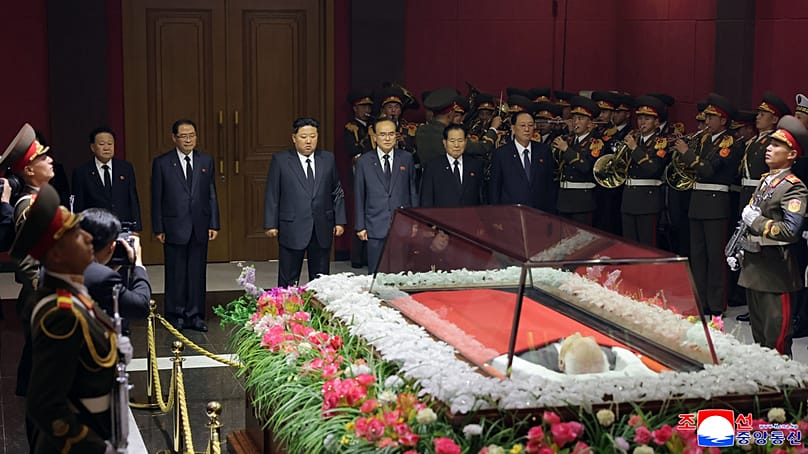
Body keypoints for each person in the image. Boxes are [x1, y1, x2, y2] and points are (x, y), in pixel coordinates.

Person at [10, 183, 132, 453]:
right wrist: (94, 447)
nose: (88, 239)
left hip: (98, 424)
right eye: (77, 236)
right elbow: (45, 405)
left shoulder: (72, 291)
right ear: (56, 255)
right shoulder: (60, 313)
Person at [728, 116, 808, 356]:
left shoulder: (794, 187)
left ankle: (785, 391)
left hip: (775, 272)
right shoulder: (765, 182)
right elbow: (747, 225)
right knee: (760, 339)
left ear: (792, 154)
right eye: (769, 144)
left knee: (777, 341)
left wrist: (758, 221)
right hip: (753, 269)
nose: (769, 149)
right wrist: (739, 248)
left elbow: (789, 231)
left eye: (777, 146)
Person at [674, 93, 743, 316]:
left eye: (712, 117)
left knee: (715, 257)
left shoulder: (730, 142)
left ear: (723, 120)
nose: (707, 121)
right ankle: (700, 300)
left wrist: (686, 153)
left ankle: (716, 304)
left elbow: (708, 169)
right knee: (698, 255)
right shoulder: (704, 139)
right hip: (697, 201)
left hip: (715, 203)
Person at [0, 123, 54, 398]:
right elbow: (25, 259)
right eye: (43, 158)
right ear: (30, 170)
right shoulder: (30, 205)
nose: (50, 160)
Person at [151, 119, 221, 332]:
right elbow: (157, 197)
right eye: (183, 136)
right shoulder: (162, 163)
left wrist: (214, 223)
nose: (188, 139)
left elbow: (211, 194)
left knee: (197, 273)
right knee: (176, 273)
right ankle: (175, 315)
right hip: (174, 226)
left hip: (200, 225)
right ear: (174, 138)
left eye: (192, 135)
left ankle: (196, 315)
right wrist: (158, 227)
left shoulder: (205, 161)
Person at [264, 117, 346, 287]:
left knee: (321, 279)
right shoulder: (281, 160)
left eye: (313, 136)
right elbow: (273, 193)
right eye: (303, 137)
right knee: (288, 277)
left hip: (322, 225)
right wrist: (270, 224)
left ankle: (317, 310)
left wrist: (340, 220)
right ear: (294, 138)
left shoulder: (327, 159)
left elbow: (337, 190)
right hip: (292, 225)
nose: (309, 141)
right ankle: (287, 311)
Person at [354, 118, 418, 274]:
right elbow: (359, 194)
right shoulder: (364, 162)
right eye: (382, 134)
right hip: (374, 223)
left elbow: (412, 191)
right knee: (376, 273)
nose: (387, 138)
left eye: (391, 134)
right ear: (375, 137)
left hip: (401, 224)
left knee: (400, 272)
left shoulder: (406, 158)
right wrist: (360, 225)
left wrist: (416, 221)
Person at [80, 208, 151, 325]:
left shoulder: (57, 263)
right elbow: (141, 306)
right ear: (111, 247)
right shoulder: (103, 278)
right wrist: (138, 263)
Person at [489, 102, 556, 213]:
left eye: (530, 125)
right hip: (510, 214)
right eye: (522, 125)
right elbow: (494, 189)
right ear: (513, 128)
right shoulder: (501, 153)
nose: (527, 129)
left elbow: (549, 186)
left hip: (539, 214)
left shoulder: (544, 151)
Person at [71, 126, 142, 230]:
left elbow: (133, 199)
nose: (106, 148)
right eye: (101, 144)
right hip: (95, 228)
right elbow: (79, 206)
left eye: (110, 144)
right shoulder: (82, 172)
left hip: (122, 227)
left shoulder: (125, 168)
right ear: (92, 147)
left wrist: (136, 228)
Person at [621, 95, 670, 247]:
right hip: (628, 198)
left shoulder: (660, 142)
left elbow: (653, 168)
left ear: (657, 122)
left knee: (647, 245)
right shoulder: (634, 138)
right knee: (629, 244)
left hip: (647, 201)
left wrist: (634, 148)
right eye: (640, 117)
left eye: (647, 118)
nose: (642, 122)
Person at [552, 96, 604, 223]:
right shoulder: (569, 140)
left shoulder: (596, 142)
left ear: (590, 124)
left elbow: (587, 167)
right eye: (574, 118)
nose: (576, 122)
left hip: (582, 201)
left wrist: (566, 150)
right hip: (564, 199)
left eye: (581, 119)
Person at [420, 124, 484, 207]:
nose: (456, 145)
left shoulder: (475, 165)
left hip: (470, 217)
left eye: (460, 141)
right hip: (442, 217)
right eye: (452, 141)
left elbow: (481, 197)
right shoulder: (433, 166)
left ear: (465, 142)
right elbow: (426, 199)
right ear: (444, 142)